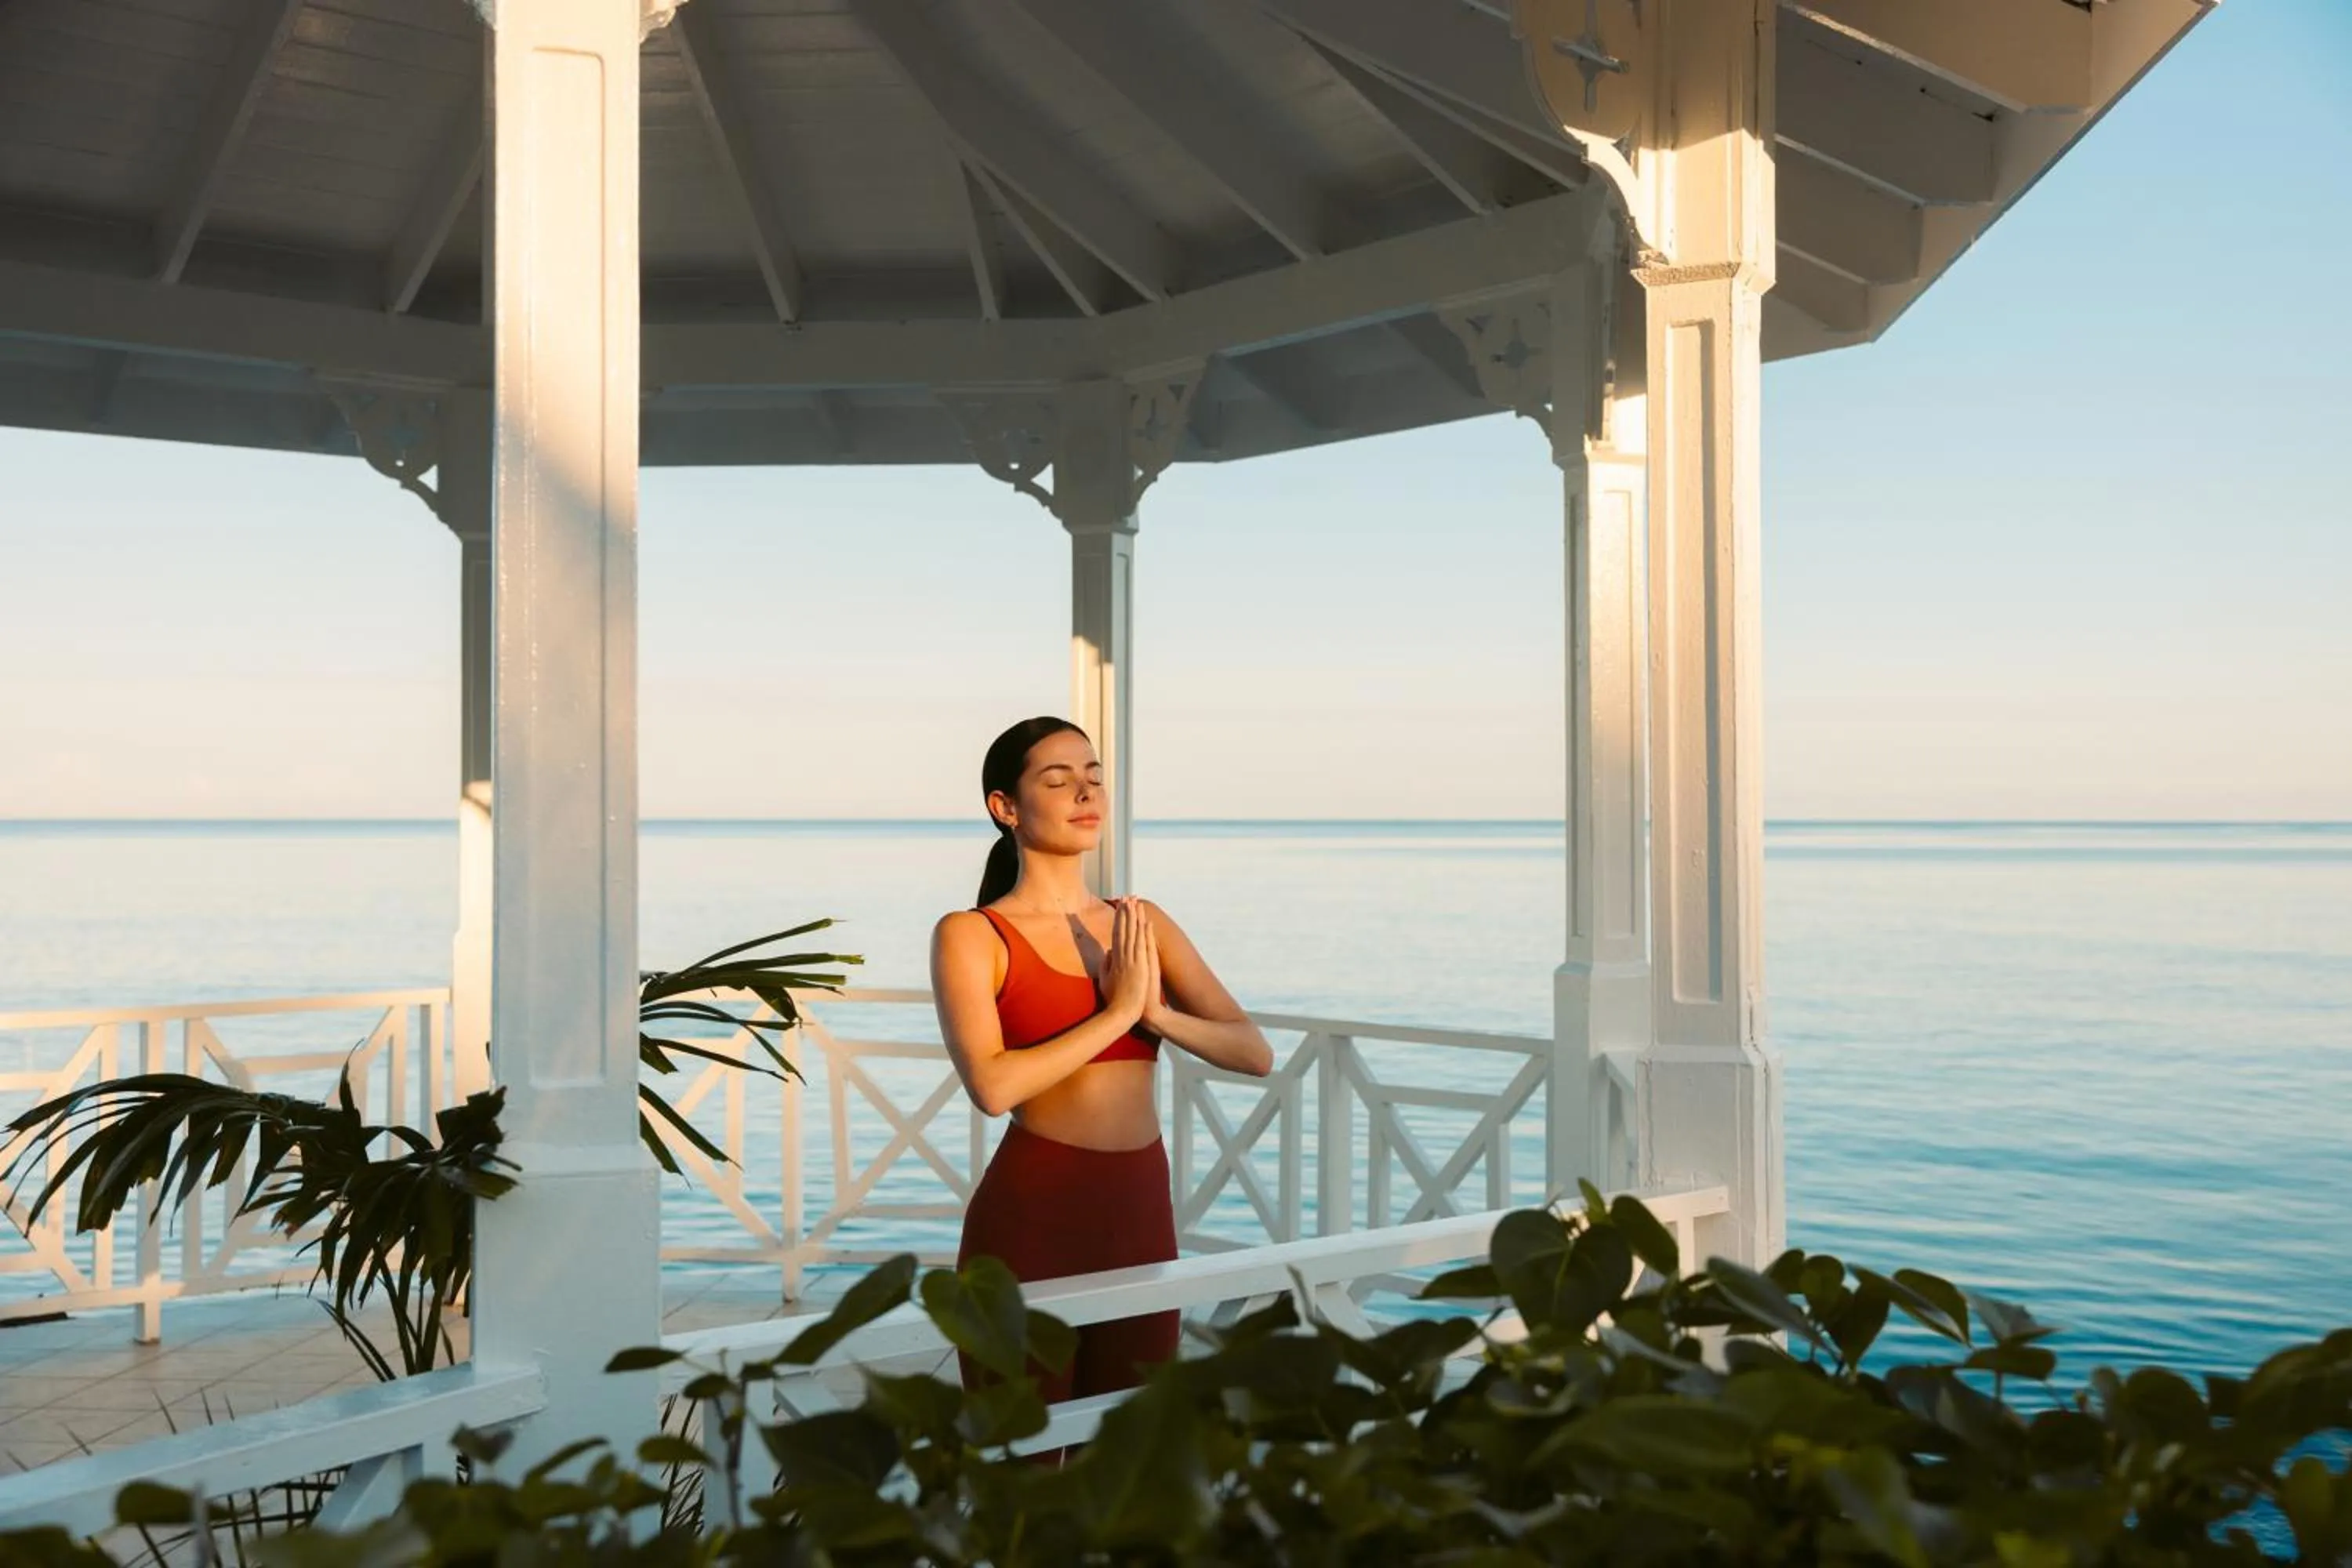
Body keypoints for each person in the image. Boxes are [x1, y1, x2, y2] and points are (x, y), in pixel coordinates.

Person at [932, 717, 1273, 1406]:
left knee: (1125, 1452)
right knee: (1021, 1459)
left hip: (1139, 1212)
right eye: (1057, 781)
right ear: (1006, 809)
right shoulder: (973, 935)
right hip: (1032, 1220)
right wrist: (1116, 1016)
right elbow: (994, 1087)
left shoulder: (1141, 922)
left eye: (1093, 777)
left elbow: (1253, 1052)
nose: (1085, 793)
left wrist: (1157, 1017)